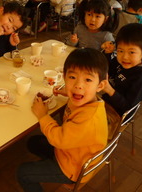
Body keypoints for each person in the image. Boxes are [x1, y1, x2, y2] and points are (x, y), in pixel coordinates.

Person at [17, 48, 109, 192]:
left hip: (73, 168)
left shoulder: (89, 119)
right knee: (33, 142)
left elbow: (59, 139)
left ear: (100, 85)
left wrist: (43, 115)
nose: (78, 85)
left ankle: (51, 170)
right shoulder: (85, 97)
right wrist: (63, 91)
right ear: (64, 76)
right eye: (72, 77)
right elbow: (77, 90)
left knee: (23, 173)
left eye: (88, 80)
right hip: (69, 150)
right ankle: (49, 164)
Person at [102, 23, 142, 117]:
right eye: (120, 51)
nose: (124, 57)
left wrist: (109, 89)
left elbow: (127, 107)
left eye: (131, 52)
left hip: (117, 114)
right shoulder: (123, 64)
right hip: (106, 101)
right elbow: (109, 70)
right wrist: (108, 54)